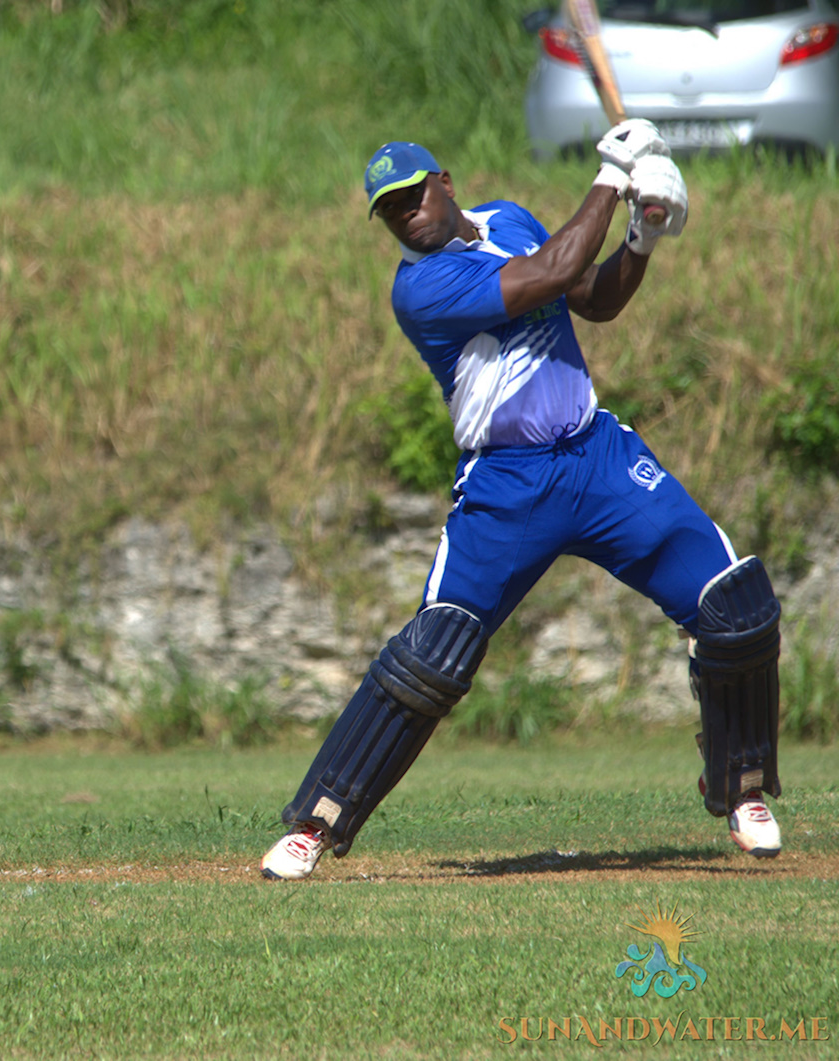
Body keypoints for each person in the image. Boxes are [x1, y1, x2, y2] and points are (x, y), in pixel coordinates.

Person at [260, 127, 783, 881]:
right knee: (433, 654)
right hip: (507, 483)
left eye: (413, 196)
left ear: (444, 181)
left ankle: (740, 784)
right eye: (389, 211)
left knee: (734, 602)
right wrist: (611, 174)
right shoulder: (420, 286)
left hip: (596, 457)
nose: (406, 216)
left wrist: (642, 235)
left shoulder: (507, 217)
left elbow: (591, 296)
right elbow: (554, 269)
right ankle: (319, 821)